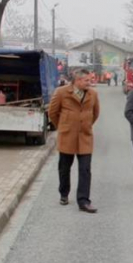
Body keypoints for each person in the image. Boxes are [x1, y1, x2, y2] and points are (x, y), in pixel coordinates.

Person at [48, 68, 101, 213]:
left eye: (90, 80)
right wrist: (63, 125)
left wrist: (86, 125)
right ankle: (64, 193)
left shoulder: (93, 94)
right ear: (77, 80)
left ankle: (84, 201)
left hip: (85, 136)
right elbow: (52, 112)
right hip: (67, 136)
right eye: (87, 80)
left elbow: (96, 113)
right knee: (64, 168)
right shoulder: (62, 92)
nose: (89, 83)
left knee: (85, 169)